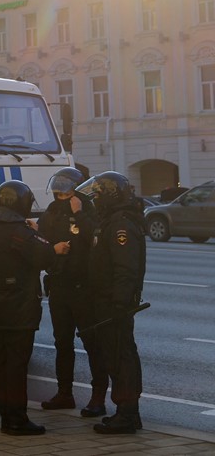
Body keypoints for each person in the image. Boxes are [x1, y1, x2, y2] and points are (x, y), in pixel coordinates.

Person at [0, 180, 69, 436]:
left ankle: (5, 415)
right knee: (16, 365)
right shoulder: (19, 232)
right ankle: (17, 419)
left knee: (0, 362)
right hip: (18, 306)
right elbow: (43, 256)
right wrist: (55, 247)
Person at [37, 167, 108, 417]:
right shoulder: (52, 211)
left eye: (66, 193)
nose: (61, 197)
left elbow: (95, 240)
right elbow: (43, 239)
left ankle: (98, 396)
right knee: (62, 342)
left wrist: (79, 215)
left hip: (84, 288)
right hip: (59, 285)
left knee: (92, 343)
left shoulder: (89, 211)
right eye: (58, 193)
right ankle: (64, 393)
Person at [87, 171, 146, 434]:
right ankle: (126, 412)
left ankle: (127, 414)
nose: (95, 199)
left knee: (122, 358)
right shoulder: (111, 220)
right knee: (116, 357)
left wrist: (119, 304)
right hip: (105, 302)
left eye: (98, 194)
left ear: (111, 195)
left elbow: (125, 268)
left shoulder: (121, 225)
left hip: (114, 305)